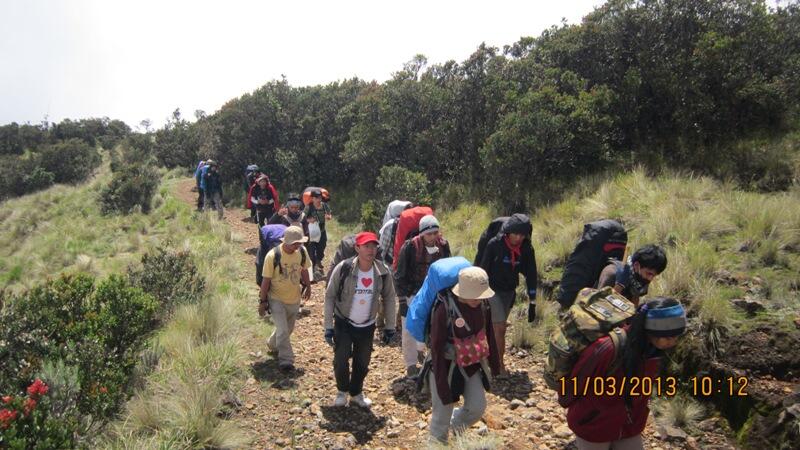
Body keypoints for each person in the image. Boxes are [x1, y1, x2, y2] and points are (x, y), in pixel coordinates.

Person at [562, 297, 687, 450]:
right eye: (668, 337)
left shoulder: (655, 352)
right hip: (594, 425)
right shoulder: (609, 348)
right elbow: (577, 380)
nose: (673, 342)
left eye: (677, 336)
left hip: (629, 425)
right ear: (651, 330)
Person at [324, 232, 397, 408]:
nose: (371, 250)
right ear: (357, 248)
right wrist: (328, 326)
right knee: (340, 360)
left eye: (374, 246)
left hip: (367, 326)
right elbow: (330, 296)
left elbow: (389, 298)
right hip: (344, 322)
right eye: (366, 246)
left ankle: (356, 393)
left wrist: (390, 327)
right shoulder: (344, 268)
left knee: (362, 363)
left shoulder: (383, 272)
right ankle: (342, 391)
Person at [427, 266, 500, 444]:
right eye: (475, 295)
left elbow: (489, 333)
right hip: (444, 365)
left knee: (477, 407)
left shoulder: (483, 304)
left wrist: (496, 365)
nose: (479, 299)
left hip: (471, 363)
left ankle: (456, 427)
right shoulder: (443, 309)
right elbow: (436, 348)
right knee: (441, 416)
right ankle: (437, 444)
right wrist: (442, 385)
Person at [477, 213, 537, 376]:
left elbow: (531, 274)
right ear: (508, 232)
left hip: (509, 290)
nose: (518, 238)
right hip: (491, 289)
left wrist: (532, 301)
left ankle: (486, 358)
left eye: (522, 235)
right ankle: (499, 365)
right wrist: (479, 294)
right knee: (500, 327)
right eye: (516, 234)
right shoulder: (494, 245)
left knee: (493, 327)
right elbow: (483, 269)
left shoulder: (526, 249)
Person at [395, 215, 451, 377]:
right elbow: (399, 275)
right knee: (408, 328)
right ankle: (411, 363)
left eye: (435, 233)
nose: (433, 237)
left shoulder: (443, 246)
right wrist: (402, 300)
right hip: (413, 292)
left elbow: (448, 268)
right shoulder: (410, 247)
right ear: (421, 234)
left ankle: (431, 357)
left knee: (436, 326)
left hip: (435, 292)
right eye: (429, 234)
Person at [258, 226, 312, 372]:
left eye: (299, 243)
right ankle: (286, 360)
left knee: (288, 329)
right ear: (286, 242)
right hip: (276, 298)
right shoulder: (273, 256)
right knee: (282, 330)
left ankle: (272, 343)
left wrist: (308, 285)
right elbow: (266, 281)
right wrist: (262, 302)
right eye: (295, 243)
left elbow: (304, 269)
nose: (298, 246)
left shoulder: (301, 252)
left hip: (294, 298)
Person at [596, 244, 667, 306]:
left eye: (654, 275)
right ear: (636, 265)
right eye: (649, 273)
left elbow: (633, 307)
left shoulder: (640, 279)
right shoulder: (612, 273)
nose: (650, 279)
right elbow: (598, 305)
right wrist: (619, 286)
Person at [304, 189, 333, 276]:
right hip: (312, 233)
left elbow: (329, 214)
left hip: (322, 231)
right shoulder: (308, 207)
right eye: (316, 198)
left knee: (322, 247)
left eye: (320, 198)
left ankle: (318, 260)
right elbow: (302, 218)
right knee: (311, 251)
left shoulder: (324, 205)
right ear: (312, 198)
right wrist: (309, 220)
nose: (319, 200)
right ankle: (312, 271)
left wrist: (328, 217)